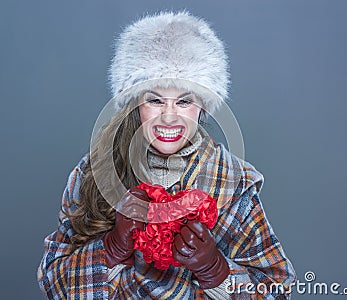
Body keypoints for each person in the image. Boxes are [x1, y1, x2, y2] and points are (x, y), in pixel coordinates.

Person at [37, 11, 296, 299]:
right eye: (155, 100)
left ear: (203, 107)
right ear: (136, 103)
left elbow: (277, 290)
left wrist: (215, 270)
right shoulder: (94, 172)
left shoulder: (234, 184)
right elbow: (52, 283)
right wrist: (111, 249)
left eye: (184, 101)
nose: (169, 117)